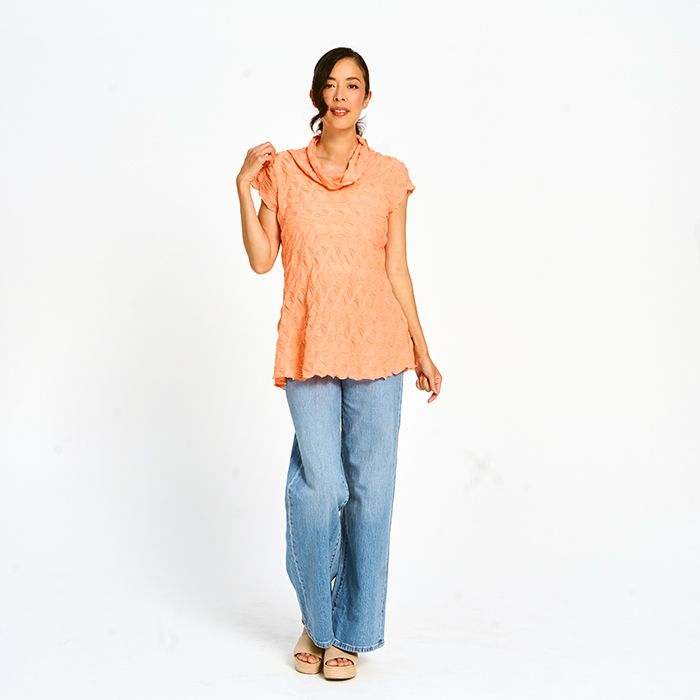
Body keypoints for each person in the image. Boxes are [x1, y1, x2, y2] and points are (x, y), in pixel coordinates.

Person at [236, 47, 442, 681]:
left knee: (371, 493)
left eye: (353, 85)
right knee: (322, 488)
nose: (341, 95)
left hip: (379, 344)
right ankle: (316, 618)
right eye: (331, 84)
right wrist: (243, 186)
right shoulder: (283, 172)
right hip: (310, 342)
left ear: (367, 98)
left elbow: (397, 268)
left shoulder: (389, 176)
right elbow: (262, 260)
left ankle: (347, 633)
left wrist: (421, 347)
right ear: (316, 96)